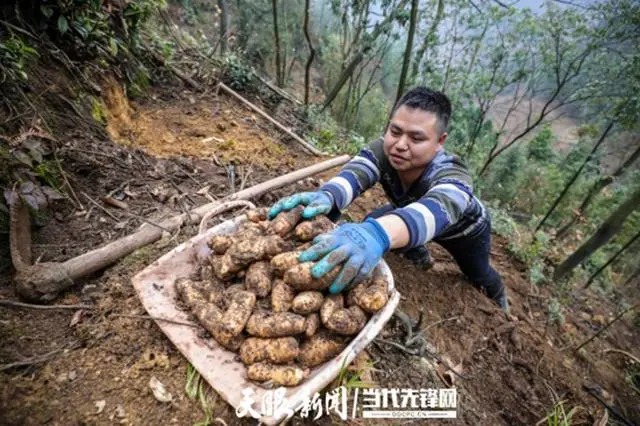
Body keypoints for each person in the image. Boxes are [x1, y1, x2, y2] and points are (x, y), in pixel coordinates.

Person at [268, 87, 509, 312]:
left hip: (464, 231)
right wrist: (329, 196)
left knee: (477, 272)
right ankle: (418, 253)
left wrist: (378, 234)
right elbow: (356, 174)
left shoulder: (452, 173)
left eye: (416, 138)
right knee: (372, 220)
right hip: (408, 211)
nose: (400, 145)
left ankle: (500, 298)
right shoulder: (383, 150)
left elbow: (435, 210)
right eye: (395, 131)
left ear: (439, 142)